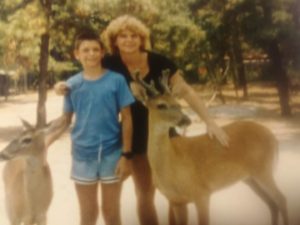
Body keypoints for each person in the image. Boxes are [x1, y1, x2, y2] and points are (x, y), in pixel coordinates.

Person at [56, 15, 228, 225]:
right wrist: (62, 85)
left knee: (175, 191)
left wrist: (209, 121)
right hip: (134, 137)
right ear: (114, 41)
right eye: (123, 36)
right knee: (145, 194)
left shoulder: (159, 62)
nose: (129, 40)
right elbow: (86, 72)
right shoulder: (110, 63)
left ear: (142, 39)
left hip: (165, 134)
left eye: (134, 36)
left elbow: (187, 92)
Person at [60, 30, 135, 225]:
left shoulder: (116, 80)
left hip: (112, 154)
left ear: (102, 53)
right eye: (85, 50)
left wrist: (126, 155)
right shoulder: (71, 85)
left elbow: (127, 118)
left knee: (111, 213)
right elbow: (65, 121)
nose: (91, 54)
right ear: (76, 54)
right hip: (82, 156)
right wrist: (43, 142)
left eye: (95, 49)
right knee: (88, 214)